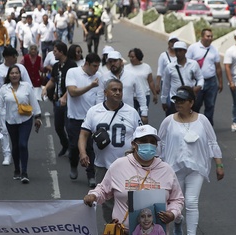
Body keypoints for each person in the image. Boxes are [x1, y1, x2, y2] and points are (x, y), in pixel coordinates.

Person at [83, 124, 184, 232]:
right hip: (123, 231)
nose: (149, 144)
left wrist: (172, 213)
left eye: (152, 142)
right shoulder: (119, 166)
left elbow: (177, 199)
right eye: (144, 141)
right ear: (134, 144)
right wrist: (93, 196)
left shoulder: (166, 170)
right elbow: (103, 190)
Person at [158, 86, 225, 235]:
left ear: (191, 102)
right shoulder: (168, 121)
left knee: (192, 202)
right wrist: (156, 166)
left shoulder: (202, 120)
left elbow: (212, 142)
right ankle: (177, 220)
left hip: (196, 168)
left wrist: (219, 164)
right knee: (176, 203)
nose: (178, 103)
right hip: (174, 169)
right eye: (176, 100)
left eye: (182, 101)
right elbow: (158, 144)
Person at [79, 78, 142, 223]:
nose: (118, 93)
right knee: (107, 202)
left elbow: (141, 137)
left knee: (129, 199)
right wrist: (83, 152)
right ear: (105, 92)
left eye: (120, 90)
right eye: (114, 90)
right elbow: (83, 134)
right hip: (103, 165)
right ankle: (111, 228)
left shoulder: (131, 113)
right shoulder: (94, 111)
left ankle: (130, 228)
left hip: (128, 166)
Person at [0, 65, 42, 184]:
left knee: (22, 144)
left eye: (16, 73)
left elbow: (34, 102)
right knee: (15, 145)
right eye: (12, 73)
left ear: (20, 75)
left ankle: (24, 172)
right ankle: (17, 169)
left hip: (26, 120)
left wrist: (37, 117)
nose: (14, 75)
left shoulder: (27, 87)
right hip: (11, 121)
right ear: (8, 76)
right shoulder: (4, 88)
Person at [0, 46, 32, 166]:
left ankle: (18, 151)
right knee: (4, 131)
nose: (16, 58)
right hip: (4, 106)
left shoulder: (21, 69)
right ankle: (7, 154)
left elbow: (29, 86)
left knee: (18, 133)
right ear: (7, 57)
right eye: (14, 56)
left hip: (20, 107)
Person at [66, 53, 101, 188]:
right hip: (75, 118)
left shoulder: (99, 76)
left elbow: (99, 98)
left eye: (98, 66)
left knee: (91, 148)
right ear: (86, 63)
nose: (96, 69)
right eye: (94, 66)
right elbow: (73, 92)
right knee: (75, 147)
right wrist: (90, 86)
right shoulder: (73, 72)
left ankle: (91, 175)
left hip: (91, 120)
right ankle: (73, 165)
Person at [42, 42, 77, 157]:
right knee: (58, 127)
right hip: (57, 101)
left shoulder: (72, 65)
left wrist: (65, 97)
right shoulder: (56, 66)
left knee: (69, 127)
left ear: (61, 52)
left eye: (55, 51)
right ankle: (65, 145)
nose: (53, 53)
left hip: (69, 102)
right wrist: (46, 88)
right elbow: (52, 80)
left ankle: (73, 150)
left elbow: (74, 84)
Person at [97, 51, 149, 124]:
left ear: (121, 62)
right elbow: (100, 97)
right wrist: (99, 113)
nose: (112, 64)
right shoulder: (104, 78)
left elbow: (140, 94)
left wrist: (144, 113)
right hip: (108, 114)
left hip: (128, 114)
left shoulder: (132, 76)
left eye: (115, 61)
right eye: (110, 61)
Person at [186, 29, 223, 126]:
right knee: (196, 105)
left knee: (210, 105)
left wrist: (220, 82)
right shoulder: (193, 48)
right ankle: (194, 124)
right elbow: (186, 65)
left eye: (211, 36)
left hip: (211, 82)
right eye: (208, 36)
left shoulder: (214, 49)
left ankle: (208, 126)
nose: (210, 38)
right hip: (197, 82)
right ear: (202, 36)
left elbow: (218, 67)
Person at [161, 41, 204, 116]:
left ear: (185, 51)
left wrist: (199, 86)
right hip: (175, 100)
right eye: (176, 50)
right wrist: (164, 100)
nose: (178, 53)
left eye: (180, 50)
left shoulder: (193, 64)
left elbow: (200, 78)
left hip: (189, 100)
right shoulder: (170, 67)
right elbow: (166, 85)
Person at [156, 35, 178, 116]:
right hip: (166, 83)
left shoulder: (180, 56)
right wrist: (157, 84)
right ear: (168, 43)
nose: (173, 43)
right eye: (171, 42)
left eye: (175, 42)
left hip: (177, 83)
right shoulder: (163, 55)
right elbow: (160, 71)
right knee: (169, 105)